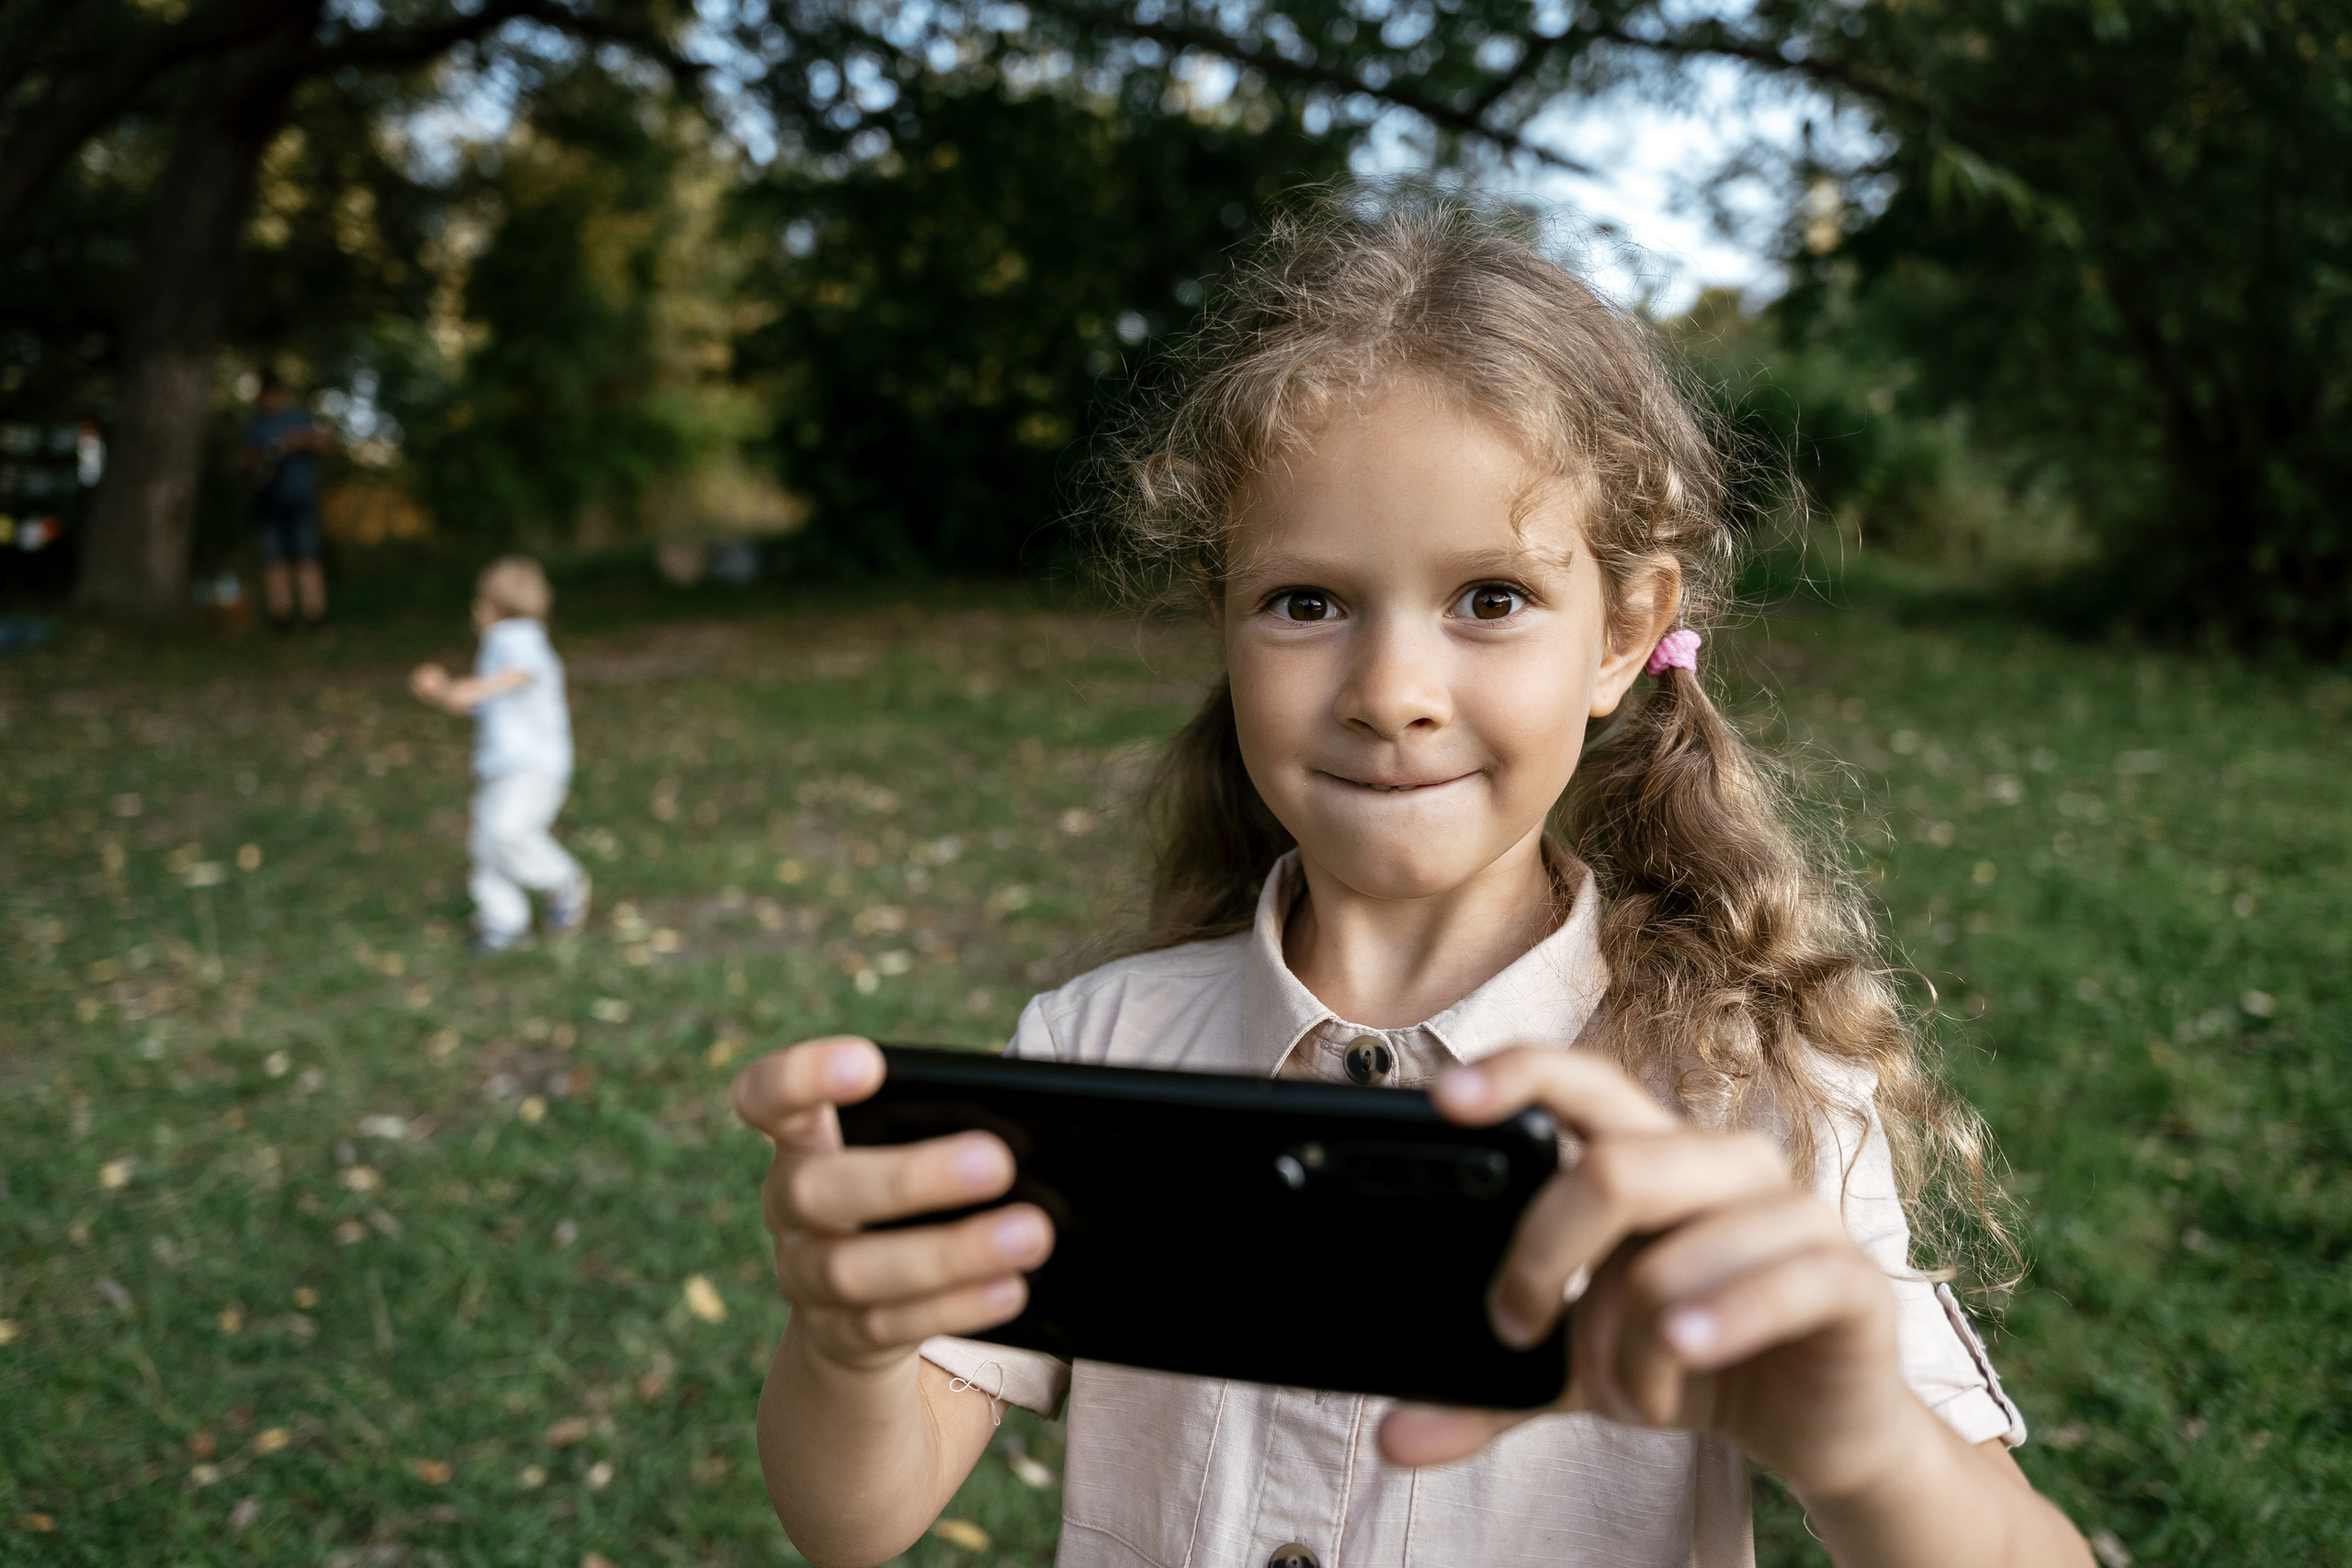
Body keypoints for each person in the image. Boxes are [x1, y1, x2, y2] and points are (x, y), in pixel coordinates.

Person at [729, 191, 2095, 1568]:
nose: (1392, 692)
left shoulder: (1750, 1101)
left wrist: (1862, 1435)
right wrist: (846, 1338)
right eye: (1306, 600)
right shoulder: (1100, 1046)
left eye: (1491, 596)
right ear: (1225, 622)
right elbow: (856, 1516)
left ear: (1625, 634)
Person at [409, 556, 590, 954]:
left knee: (506, 833)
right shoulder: (499, 644)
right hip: (504, 765)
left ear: (489, 607)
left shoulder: (518, 636)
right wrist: (448, 692)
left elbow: (520, 673)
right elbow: (475, 699)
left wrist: (453, 688)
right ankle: (503, 921)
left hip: (533, 764)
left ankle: (562, 880)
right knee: (487, 845)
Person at [242, 370, 334, 627]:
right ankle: (280, 619)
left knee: (308, 558)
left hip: (302, 500)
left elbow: (327, 444)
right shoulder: (256, 425)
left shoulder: (298, 419)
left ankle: (316, 617)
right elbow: (245, 461)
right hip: (269, 502)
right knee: (275, 561)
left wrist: (301, 440)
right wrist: (265, 454)